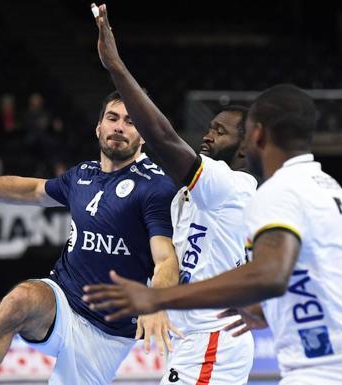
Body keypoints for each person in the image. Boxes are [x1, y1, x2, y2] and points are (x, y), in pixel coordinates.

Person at [84, 84, 342, 385]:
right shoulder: (336, 196)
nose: (208, 136)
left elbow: (270, 276)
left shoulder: (270, 189)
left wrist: (157, 298)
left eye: (224, 132)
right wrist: (272, 310)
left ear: (256, 135)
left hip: (317, 371)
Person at [0, 90, 181, 385]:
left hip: (107, 333)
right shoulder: (81, 175)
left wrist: (154, 304)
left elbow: (166, 260)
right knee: (19, 300)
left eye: (131, 121)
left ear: (144, 133)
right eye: (112, 118)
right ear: (98, 126)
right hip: (62, 299)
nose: (119, 127)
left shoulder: (155, 187)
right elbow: (30, 190)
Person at [90, 4, 257, 384]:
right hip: (195, 339)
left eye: (220, 132)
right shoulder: (192, 195)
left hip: (212, 338)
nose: (207, 136)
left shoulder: (230, 185)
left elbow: (164, 139)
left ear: (246, 149)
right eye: (209, 128)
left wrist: (115, 66)